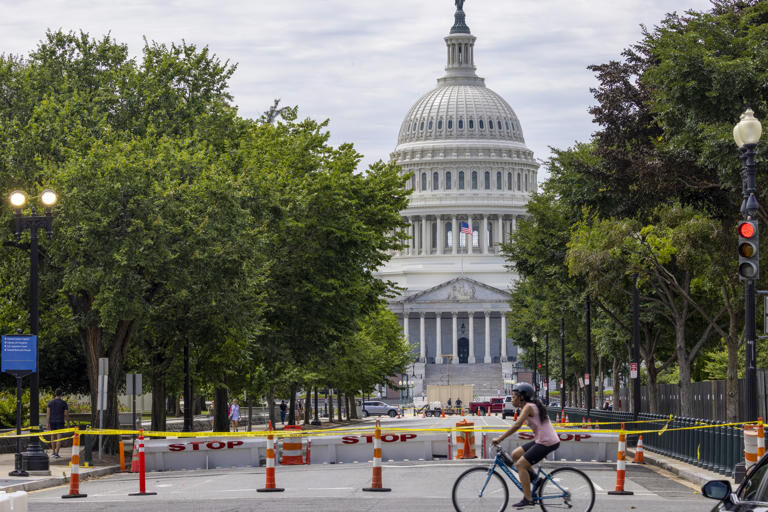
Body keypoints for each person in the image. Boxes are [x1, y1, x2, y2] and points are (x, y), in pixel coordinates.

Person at [492, 383, 560, 508]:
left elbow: (516, 425)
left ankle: (528, 499)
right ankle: (536, 480)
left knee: (520, 465)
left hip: (547, 442)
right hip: (541, 440)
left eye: (514, 397)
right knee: (515, 455)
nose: (512, 399)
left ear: (522, 397)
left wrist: (500, 439)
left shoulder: (528, 407)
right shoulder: (528, 406)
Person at [47, 388, 69, 458]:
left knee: (52, 437)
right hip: (60, 421)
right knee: (59, 437)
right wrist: (68, 423)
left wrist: (47, 423)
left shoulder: (50, 403)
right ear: (61, 394)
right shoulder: (63, 403)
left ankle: (53, 452)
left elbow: (48, 414)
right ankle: (57, 453)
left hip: (52, 421)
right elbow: (66, 414)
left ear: (55, 394)